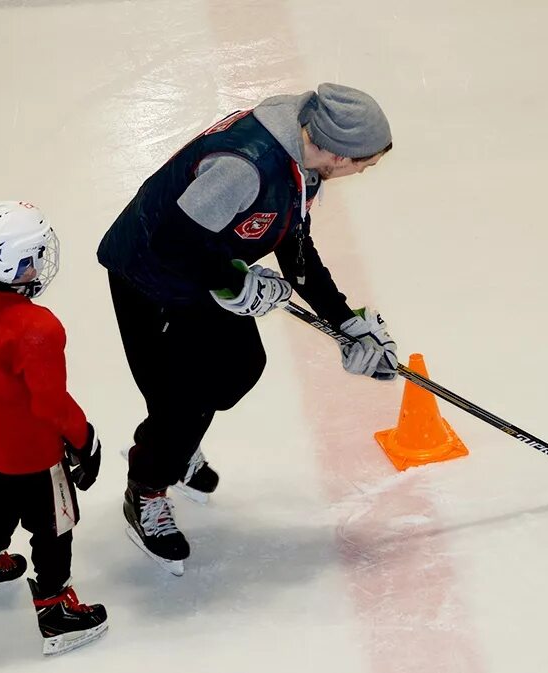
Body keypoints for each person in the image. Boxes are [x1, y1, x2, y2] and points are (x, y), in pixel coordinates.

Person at [97, 84, 399, 576]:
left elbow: (294, 245)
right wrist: (233, 280)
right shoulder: (246, 167)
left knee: (237, 367)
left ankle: (175, 446)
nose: (366, 170)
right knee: (175, 401)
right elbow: (172, 240)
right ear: (338, 153)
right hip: (147, 276)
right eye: (365, 161)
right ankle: (147, 488)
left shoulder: (303, 160)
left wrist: (346, 322)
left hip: (202, 272)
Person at [0, 201, 108, 655]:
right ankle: (56, 610)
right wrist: (85, 439)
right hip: (34, 458)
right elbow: (51, 403)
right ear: (14, 263)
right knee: (56, 528)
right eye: (34, 253)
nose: (40, 262)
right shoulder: (37, 327)